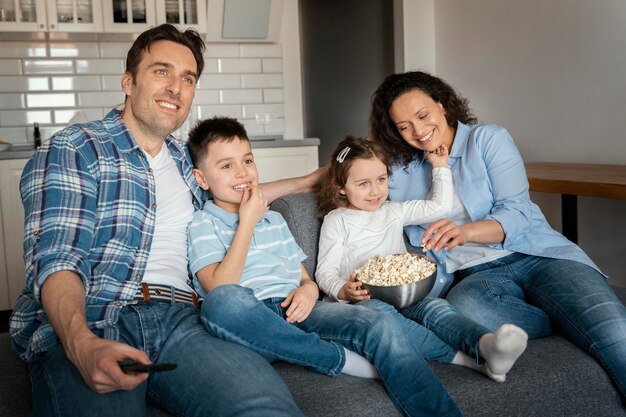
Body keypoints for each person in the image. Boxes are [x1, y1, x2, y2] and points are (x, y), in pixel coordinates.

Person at [9, 24, 321, 417]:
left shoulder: (184, 159)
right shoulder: (76, 148)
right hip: (98, 316)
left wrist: (307, 181)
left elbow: (235, 190)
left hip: (185, 321)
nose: (176, 87)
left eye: (187, 78)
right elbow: (57, 259)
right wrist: (80, 342)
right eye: (161, 71)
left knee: (267, 409)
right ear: (128, 81)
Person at [369, 70, 626, 401]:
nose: (418, 131)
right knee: (464, 310)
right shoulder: (401, 169)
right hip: (474, 278)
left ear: (443, 104)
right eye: (403, 126)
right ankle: (568, 315)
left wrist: (465, 232)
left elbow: (517, 212)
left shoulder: (487, 139)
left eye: (422, 115)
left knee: (613, 332)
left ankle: (579, 312)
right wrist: (300, 182)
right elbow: (351, 172)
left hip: (535, 254)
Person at [185, 115, 464, 417]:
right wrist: (248, 221)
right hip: (251, 320)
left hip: (299, 309)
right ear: (201, 179)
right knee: (223, 303)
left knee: (379, 321)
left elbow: (305, 279)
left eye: (248, 161)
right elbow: (220, 288)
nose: (242, 173)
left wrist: (308, 291)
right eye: (227, 166)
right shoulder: (203, 222)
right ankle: (335, 358)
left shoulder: (274, 219)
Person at [315, 135, 528, 382]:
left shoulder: (393, 211)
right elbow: (325, 272)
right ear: (341, 186)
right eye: (363, 184)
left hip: (404, 295)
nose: (375, 191)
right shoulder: (337, 220)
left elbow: (438, 207)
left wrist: (439, 166)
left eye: (381, 179)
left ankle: (488, 344)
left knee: (436, 308)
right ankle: (467, 360)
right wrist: (343, 290)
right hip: (362, 303)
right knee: (387, 319)